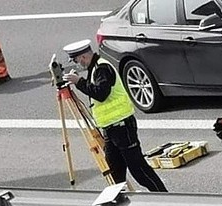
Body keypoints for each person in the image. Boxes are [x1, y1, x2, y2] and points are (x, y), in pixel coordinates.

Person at [62, 40, 167, 193]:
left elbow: (101, 94)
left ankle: (163, 198)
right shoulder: (94, 68)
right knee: (114, 170)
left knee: (139, 170)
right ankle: (120, 200)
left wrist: (79, 82)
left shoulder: (102, 68)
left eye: (77, 60)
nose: (77, 64)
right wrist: (80, 81)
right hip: (110, 128)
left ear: (83, 56)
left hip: (122, 126)